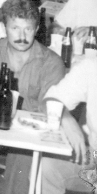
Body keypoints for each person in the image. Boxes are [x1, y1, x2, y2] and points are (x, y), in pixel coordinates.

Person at [0, 0, 66, 194]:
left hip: (29, 139)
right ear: (5, 27)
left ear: (37, 30)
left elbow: (45, 121)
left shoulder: (51, 63)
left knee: (22, 150)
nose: (22, 35)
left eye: (28, 29)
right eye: (15, 28)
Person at [41, 55, 96, 194]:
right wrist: (66, 119)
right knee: (46, 167)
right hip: (93, 158)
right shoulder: (91, 65)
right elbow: (51, 99)